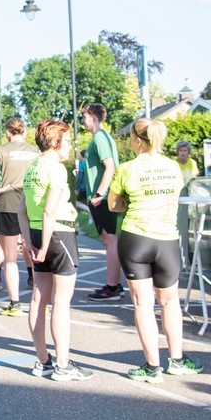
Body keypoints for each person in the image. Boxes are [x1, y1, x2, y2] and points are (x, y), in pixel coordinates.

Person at [108, 119, 205, 382]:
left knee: (143, 304)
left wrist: (130, 199)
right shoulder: (173, 166)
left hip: (136, 238)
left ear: (137, 140)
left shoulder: (127, 168)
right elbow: (175, 194)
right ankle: (177, 359)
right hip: (167, 239)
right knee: (170, 301)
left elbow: (113, 205)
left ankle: (152, 368)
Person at [19, 119, 93, 381]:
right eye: (68, 141)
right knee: (61, 301)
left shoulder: (32, 169)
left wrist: (30, 243)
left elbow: (22, 212)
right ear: (54, 142)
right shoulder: (56, 169)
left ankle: (43, 361)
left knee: (39, 298)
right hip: (59, 232)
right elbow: (51, 209)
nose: (71, 147)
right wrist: (48, 243)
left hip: (39, 233)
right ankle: (63, 364)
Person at [0, 117, 39, 315]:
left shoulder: (2, 149)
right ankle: (39, 300)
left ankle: (14, 303)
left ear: (8, 132)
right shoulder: (34, 151)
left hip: (8, 203)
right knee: (35, 252)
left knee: (10, 258)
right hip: (31, 203)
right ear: (24, 131)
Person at [82, 103, 125, 302]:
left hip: (104, 198)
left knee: (110, 241)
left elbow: (110, 166)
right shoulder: (102, 137)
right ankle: (115, 284)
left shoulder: (100, 138)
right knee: (109, 240)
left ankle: (112, 287)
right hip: (104, 197)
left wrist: (99, 193)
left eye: (84, 116)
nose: (82, 120)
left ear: (92, 116)